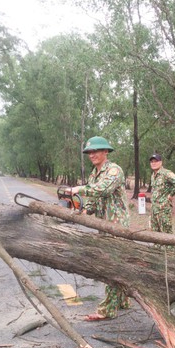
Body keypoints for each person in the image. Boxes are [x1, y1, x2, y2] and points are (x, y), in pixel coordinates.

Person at [68, 137, 130, 321]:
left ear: (106, 152)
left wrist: (80, 189)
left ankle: (108, 310)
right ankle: (122, 301)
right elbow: (94, 202)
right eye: (89, 152)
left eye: (96, 151)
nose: (92, 155)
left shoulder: (114, 170)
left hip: (116, 225)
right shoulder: (94, 174)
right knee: (117, 264)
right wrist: (82, 212)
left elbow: (103, 190)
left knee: (110, 265)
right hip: (103, 224)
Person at [149, 153, 175, 234]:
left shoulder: (166, 173)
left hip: (163, 210)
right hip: (154, 209)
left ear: (161, 162)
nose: (153, 163)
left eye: (155, 161)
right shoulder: (153, 175)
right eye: (152, 162)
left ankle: (168, 247)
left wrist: (171, 195)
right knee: (155, 234)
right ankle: (156, 247)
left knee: (166, 234)